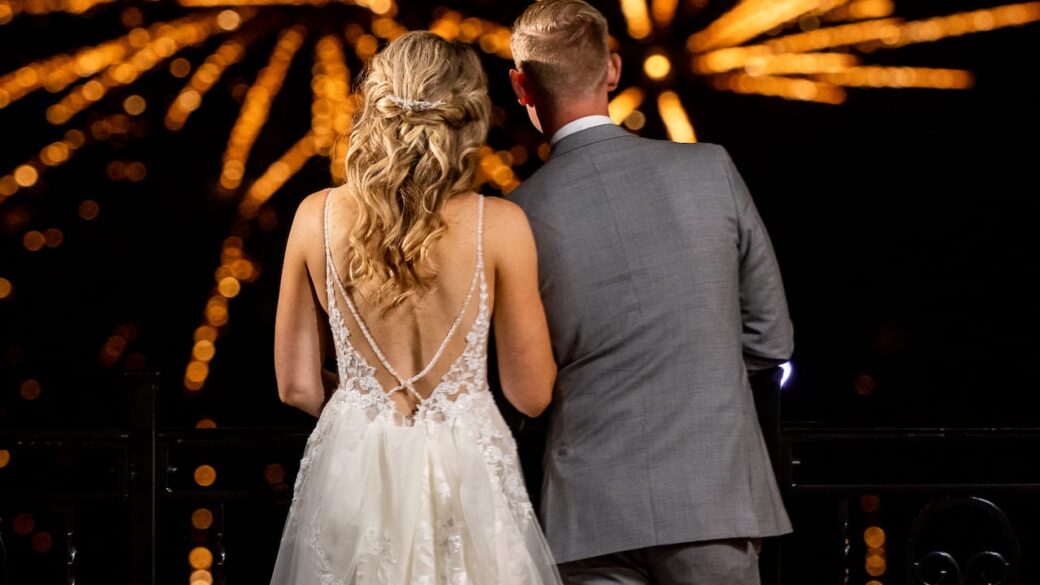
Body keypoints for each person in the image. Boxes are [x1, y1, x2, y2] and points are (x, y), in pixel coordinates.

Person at [506, 1, 795, 583]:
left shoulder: (515, 217)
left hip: (588, 514)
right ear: (612, 70)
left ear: (521, 86)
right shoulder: (710, 170)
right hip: (712, 499)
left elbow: (518, 383)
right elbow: (771, 338)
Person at [269, 31, 562, 584]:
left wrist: (367, 408)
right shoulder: (498, 226)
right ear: (468, 114)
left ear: (375, 103)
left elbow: (297, 387)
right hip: (465, 473)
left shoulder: (316, 216)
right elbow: (531, 392)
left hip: (354, 471)